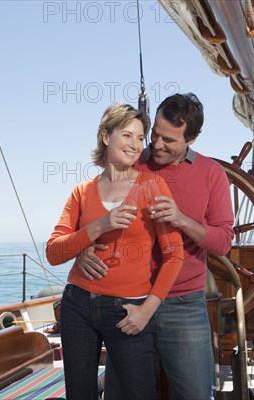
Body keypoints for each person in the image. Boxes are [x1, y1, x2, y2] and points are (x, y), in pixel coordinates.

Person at [77, 93, 234, 399]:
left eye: (169, 141)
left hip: (183, 304)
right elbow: (92, 216)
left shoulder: (211, 174)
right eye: (155, 135)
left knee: (197, 395)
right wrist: (83, 248)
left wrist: (181, 220)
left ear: (192, 138)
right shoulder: (130, 161)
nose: (156, 146)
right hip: (126, 299)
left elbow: (223, 243)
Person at [46, 103, 184, 400]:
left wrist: (147, 311)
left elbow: (175, 255)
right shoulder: (81, 192)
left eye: (140, 138)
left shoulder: (153, 186)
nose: (136, 146)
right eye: (127, 135)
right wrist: (98, 226)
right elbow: (54, 253)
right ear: (105, 136)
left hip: (128, 311)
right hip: (77, 306)